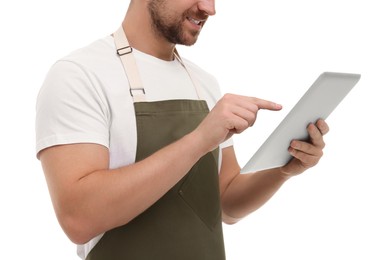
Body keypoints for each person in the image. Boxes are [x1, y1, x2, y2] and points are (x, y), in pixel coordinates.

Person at [35, 0, 329, 259]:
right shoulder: (79, 75)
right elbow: (78, 218)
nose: (209, 8)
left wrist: (284, 169)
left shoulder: (204, 84)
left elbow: (225, 204)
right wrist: (200, 140)